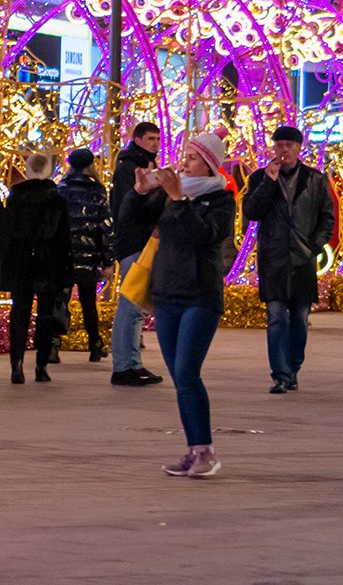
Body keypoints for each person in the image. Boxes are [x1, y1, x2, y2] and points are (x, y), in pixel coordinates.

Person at [123, 130, 236, 477]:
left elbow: (203, 235)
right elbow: (131, 219)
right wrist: (140, 191)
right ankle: (193, 449)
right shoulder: (171, 193)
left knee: (187, 371)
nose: (183, 162)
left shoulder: (221, 200)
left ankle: (205, 452)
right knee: (179, 376)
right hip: (167, 294)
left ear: (209, 164)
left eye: (192, 157)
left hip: (200, 295)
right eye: (184, 155)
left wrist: (180, 201)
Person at [242, 125, 336, 394]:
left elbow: (327, 217)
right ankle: (280, 374)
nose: (284, 150)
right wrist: (268, 184)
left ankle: (293, 366)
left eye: (289, 145)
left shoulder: (315, 179)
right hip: (273, 257)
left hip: (303, 258)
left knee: (299, 318)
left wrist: (313, 246)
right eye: (279, 145)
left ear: (299, 148)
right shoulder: (261, 177)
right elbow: (252, 211)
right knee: (275, 317)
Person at [2, 153, 71, 383]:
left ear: (28, 170)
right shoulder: (56, 200)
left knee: (19, 313)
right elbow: (63, 240)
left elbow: (8, 235)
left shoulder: (15, 198)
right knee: (45, 314)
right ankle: (41, 366)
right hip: (48, 263)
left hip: (21, 262)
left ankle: (17, 364)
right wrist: (65, 273)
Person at [108, 121, 165, 386]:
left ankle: (131, 364)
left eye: (157, 138)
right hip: (133, 244)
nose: (155, 143)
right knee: (130, 306)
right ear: (138, 139)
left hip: (138, 243)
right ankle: (124, 367)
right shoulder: (130, 168)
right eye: (150, 138)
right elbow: (127, 208)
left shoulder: (140, 165)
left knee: (135, 308)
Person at [59, 149, 115, 362]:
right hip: (89, 255)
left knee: (60, 300)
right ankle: (95, 344)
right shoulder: (97, 190)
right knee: (88, 302)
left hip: (64, 255)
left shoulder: (61, 189)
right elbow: (105, 227)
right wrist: (108, 260)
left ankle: (54, 343)